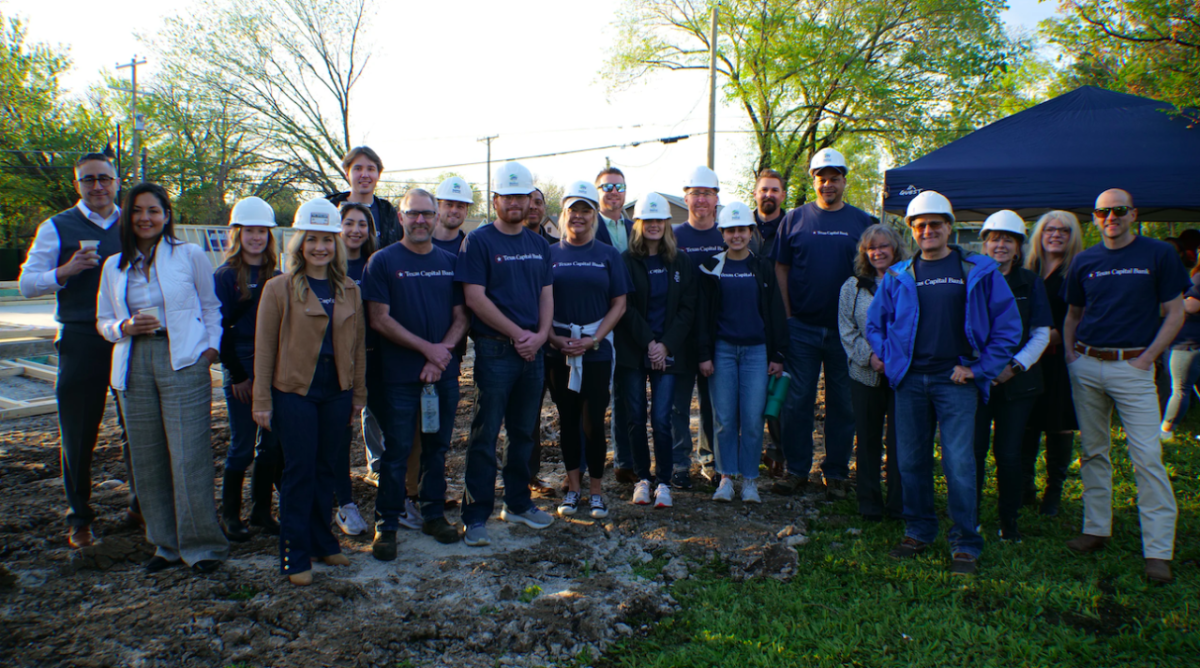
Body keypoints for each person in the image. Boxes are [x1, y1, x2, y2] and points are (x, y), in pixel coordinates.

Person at [866, 190, 1021, 576]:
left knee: (959, 464)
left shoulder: (977, 270)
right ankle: (919, 531)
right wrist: (892, 360)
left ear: (949, 227)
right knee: (911, 462)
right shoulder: (900, 275)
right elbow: (875, 323)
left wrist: (978, 369)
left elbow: (1007, 327)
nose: (929, 230)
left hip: (956, 382)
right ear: (912, 231)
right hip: (911, 382)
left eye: (936, 223)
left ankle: (966, 543)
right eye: (921, 225)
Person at [96, 182, 227, 574]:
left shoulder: (188, 256)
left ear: (166, 215)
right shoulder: (114, 265)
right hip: (134, 361)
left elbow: (211, 307)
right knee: (148, 457)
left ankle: (202, 545)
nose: (145, 218)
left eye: (153, 210)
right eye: (137, 210)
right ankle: (164, 544)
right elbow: (103, 322)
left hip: (184, 359)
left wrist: (210, 351)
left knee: (189, 457)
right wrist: (125, 325)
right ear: (127, 216)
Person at [1061, 189, 1187, 585]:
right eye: (1103, 212)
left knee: (1147, 457)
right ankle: (1096, 528)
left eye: (1118, 211)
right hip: (1087, 364)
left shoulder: (1158, 254)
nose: (1110, 218)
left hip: (1132, 367)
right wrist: (1070, 354)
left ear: (1133, 215)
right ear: (1095, 219)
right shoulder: (1085, 260)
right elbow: (1073, 314)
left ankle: (1158, 551)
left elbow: (1175, 312)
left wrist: (1147, 359)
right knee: (1094, 450)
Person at [18, 152, 141, 549]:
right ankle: (80, 517)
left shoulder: (135, 223)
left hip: (127, 335)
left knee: (137, 428)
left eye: (105, 178)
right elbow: (27, 284)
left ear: (117, 181)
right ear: (78, 185)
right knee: (78, 431)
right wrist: (66, 271)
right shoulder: (57, 227)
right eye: (89, 180)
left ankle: (141, 506)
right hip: (81, 337)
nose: (98, 186)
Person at [252, 198, 367, 586]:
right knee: (299, 471)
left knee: (326, 469)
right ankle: (294, 552)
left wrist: (358, 395)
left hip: (336, 389)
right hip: (294, 391)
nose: (320, 247)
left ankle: (323, 541)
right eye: (312, 239)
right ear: (299, 242)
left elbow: (356, 347)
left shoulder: (349, 289)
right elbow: (265, 348)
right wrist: (262, 401)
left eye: (327, 240)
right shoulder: (278, 289)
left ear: (337, 245)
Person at [454, 161, 556, 546]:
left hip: (533, 353)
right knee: (484, 434)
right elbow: (474, 298)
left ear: (530, 199)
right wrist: (518, 334)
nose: (515, 203)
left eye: (522, 196)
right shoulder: (479, 241)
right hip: (497, 352)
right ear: (495, 200)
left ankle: (517, 502)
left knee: (523, 434)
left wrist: (541, 335)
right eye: (507, 196)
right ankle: (476, 514)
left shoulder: (537, 244)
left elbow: (547, 294)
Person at [363, 188, 469, 556]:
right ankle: (386, 524)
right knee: (397, 452)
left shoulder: (450, 261)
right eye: (413, 214)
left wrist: (439, 357)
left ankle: (433, 515)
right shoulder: (382, 262)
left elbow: (461, 317)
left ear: (436, 217)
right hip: (400, 377)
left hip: (442, 375)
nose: (420, 220)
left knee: (437, 450)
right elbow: (379, 319)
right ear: (400, 218)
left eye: (427, 213)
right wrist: (429, 351)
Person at [772, 148, 873, 498]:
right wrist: (787, 315)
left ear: (845, 179)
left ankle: (836, 473)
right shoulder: (795, 219)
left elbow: (875, 274)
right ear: (813, 180)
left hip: (847, 333)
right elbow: (781, 268)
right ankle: (797, 469)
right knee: (797, 402)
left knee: (842, 404)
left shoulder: (863, 222)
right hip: (802, 327)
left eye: (834, 177)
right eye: (821, 177)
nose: (827, 184)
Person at [545, 181, 631, 519]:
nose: (578, 216)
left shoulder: (608, 254)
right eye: (573, 210)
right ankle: (573, 488)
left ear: (593, 215)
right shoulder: (548, 254)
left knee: (593, 423)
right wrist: (552, 338)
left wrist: (594, 339)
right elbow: (541, 302)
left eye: (585, 210)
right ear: (563, 214)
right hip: (559, 351)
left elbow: (620, 303)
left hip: (594, 351)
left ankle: (596, 491)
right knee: (567, 421)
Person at [696, 202, 787, 503]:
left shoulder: (762, 267)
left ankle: (749, 480)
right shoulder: (711, 267)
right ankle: (725, 477)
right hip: (722, 351)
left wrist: (777, 354)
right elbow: (703, 315)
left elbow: (775, 312)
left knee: (751, 419)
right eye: (731, 230)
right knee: (724, 419)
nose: (737, 235)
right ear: (722, 233)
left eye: (742, 230)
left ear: (751, 232)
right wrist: (704, 353)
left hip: (756, 353)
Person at [972, 211, 1052, 543]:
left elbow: (1041, 333)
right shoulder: (970, 278)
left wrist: (1013, 367)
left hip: (1018, 383)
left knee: (1008, 453)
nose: (1000, 245)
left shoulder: (1030, 282)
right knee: (973, 452)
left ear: (1018, 247)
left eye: (1008, 239)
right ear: (985, 244)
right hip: (977, 383)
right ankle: (970, 518)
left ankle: (1009, 522)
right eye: (994, 238)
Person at [616, 193, 697, 508]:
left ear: (667, 224)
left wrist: (665, 345)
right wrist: (650, 343)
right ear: (638, 224)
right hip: (634, 352)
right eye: (647, 220)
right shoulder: (626, 260)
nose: (653, 226)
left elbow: (688, 310)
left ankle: (663, 481)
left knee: (662, 418)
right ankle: (642, 479)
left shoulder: (681, 261)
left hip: (668, 352)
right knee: (635, 417)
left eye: (659, 220)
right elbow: (626, 307)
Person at [214, 197, 282, 541]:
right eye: (250, 231)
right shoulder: (225, 277)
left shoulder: (278, 276)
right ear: (237, 233)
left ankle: (260, 510)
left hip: (273, 362)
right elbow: (219, 330)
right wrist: (239, 375)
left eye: (262, 231)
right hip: (240, 361)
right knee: (242, 443)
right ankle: (230, 515)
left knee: (269, 445)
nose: (256, 237)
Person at [837, 223, 906, 521]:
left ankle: (899, 504)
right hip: (865, 374)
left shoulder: (909, 280)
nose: (878, 252)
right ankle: (869, 504)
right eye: (872, 247)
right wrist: (871, 358)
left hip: (903, 376)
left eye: (884, 246)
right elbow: (847, 329)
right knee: (867, 439)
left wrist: (896, 359)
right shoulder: (852, 287)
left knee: (900, 441)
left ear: (895, 249)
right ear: (865, 252)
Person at [1020, 211, 1084, 516]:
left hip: (1060, 359)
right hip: (1027, 362)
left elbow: (1079, 318)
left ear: (1073, 237)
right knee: (1027, 422)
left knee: (1058, 426)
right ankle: (1025, 485)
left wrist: (1041, 342)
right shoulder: (1027, 268)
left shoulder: (1077, 270)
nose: (1056, 235)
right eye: (1050, 230)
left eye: (1064, 231)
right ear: (1039, 235)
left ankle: (1053, 491)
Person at [670, 166, 726, 488]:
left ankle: (710, 459)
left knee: (712, 404)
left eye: (707, 193)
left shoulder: (726, 234)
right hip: (679, 336)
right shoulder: (674, 237)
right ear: (686, 197)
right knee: (678, 404)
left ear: (717, 198)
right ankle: (680, 463)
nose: (701, 200)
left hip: (717, 335)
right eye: (696, 194)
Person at [328, 202, 379, 537]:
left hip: (375, 356)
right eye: (349, 223)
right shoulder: (326, 265)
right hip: (337, 361)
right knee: (340, 433)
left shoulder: (377, 263)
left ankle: (396, 494)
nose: (356, 230)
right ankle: (343, 503)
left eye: (363, 224)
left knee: (383, 425)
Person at [594, 167, 637, 483]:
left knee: (627, 392)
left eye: (618, 186)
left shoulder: (637, 228)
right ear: (598, 192)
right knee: (594, 397)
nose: (613, 191)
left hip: (632, 321)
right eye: (606, 186)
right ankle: (584, 466)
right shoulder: (587, 226)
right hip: (598, 320)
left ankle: (624, 460)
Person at [524, 187, 557, 493]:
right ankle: (522, 476)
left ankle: (534, 474)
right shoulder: (505, 243)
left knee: (552, 410)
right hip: (519, 345)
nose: (533, 206)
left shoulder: (554, 248)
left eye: (539, 202)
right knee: (523, 415)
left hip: (553, 343)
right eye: (528, 201)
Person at [327, 146, 402, 247]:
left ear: (378, 175)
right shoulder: (329, 209)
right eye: (358, 168)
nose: (364, 174)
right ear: (347, 174)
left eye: (370, 169)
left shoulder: (389, 213)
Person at [1159, 261, 1200, 441]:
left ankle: (1165, 432)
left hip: (1189, 342)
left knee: (1180, 388)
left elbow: (1192, 305)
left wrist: (1168, 304)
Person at [749, 168, 787, 256]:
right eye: (764, 190)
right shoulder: (742, 227)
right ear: (755, 195)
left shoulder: (792, 229)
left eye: (775, 190)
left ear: (783, 196)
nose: (769, 194)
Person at [432, 176, 473, 254]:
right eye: (449, 204)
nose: (454, 210)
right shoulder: (420, 244)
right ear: (437, 207)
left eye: (460, 206)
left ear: (466, 212)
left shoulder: (471, 249)